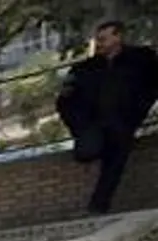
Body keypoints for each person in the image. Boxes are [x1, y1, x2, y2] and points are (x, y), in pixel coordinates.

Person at [57, 20, 158, 216]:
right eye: (98, 40)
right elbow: (64, 101)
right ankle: (97, 204)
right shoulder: (84, 69)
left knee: (115, 160)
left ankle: (98, 206)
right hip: (92, 125)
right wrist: (79, 126)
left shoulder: (141, 59)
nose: (100, 44)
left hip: (122, 122)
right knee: (87, 152)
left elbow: (152, 86)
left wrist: (138, 110)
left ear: (118, 37)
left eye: (103, 39)